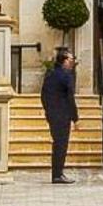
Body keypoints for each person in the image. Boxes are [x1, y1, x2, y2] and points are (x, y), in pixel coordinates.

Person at [40, 46, 79, 183]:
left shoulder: (50, 73)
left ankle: (57, 173)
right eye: (71, 59)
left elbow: (43, 95)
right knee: (61, 145)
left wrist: (48, 111)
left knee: (58, 144)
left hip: (53, 114)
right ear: (65, 60)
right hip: (62, 115)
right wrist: (75, 117)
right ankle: (58, 174)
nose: (73, 61)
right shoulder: (66, 76)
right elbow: (70, 98)